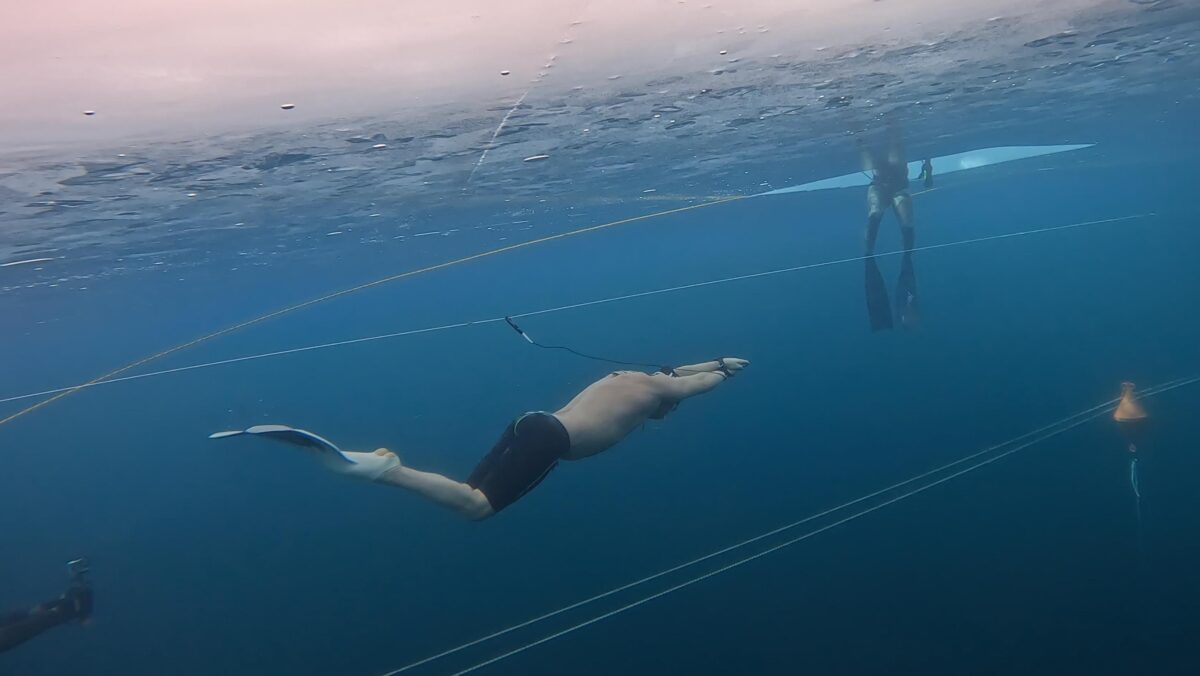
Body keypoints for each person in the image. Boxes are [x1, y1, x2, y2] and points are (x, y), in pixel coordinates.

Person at [211, 358, 749, 519]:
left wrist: (718, 361)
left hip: (531, 422)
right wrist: (721, 376)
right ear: (667, 397)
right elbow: (690, 383)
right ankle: (382, 469)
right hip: (553, 441)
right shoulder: (659, 392)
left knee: (466, 488)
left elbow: (679, 372)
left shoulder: (632, 378)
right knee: (477, 507)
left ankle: (365, 461)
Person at [0, 559, 93, 654]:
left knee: (22, 623)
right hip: (55, 614)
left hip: (55, 613)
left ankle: (58, 609)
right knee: (23, 624)